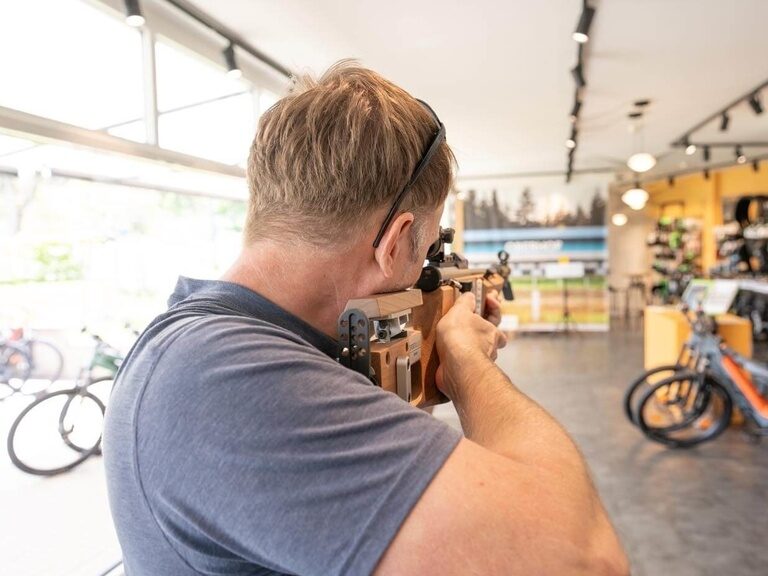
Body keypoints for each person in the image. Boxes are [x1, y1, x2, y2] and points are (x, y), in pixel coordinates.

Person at [103, 61, 628, 576]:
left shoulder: (234, 343)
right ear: (396, 242)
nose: (424, 266)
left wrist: (423, 359)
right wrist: (469, 366)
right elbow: (583, 558)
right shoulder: (227, 377)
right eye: (425, 250)